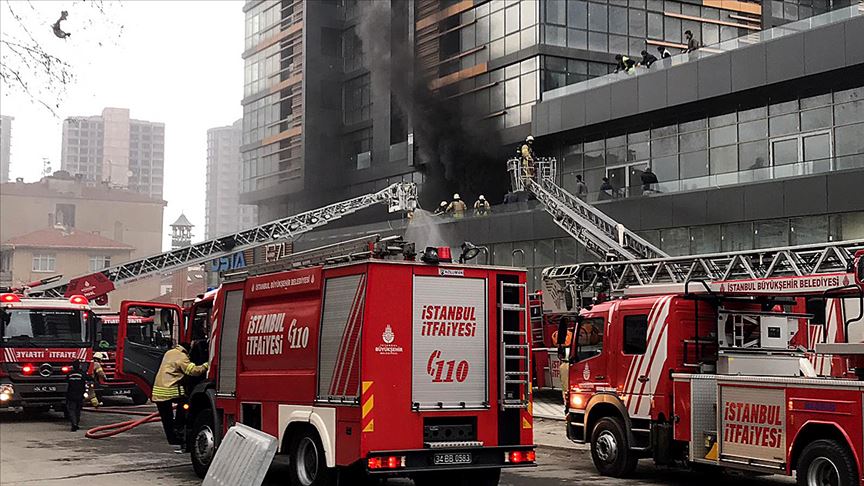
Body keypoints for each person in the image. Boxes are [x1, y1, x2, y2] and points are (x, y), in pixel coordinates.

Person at [152, 343, 209, 448]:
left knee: (167, 419)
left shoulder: (169, 352)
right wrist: (207, 364)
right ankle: (179, 428)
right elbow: (193, 371)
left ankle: (173, 439)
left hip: (158, 391)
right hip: (168, 391)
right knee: (185, 404)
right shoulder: (182, 356)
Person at [65, 360, 87, 431]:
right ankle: (76, 424)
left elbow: (66, 383)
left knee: (72, 410)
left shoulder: (69, 375)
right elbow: (87, 381)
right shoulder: (82, 374)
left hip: (71, 395)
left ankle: (74, 424)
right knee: (78, 410)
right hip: (80, 395)